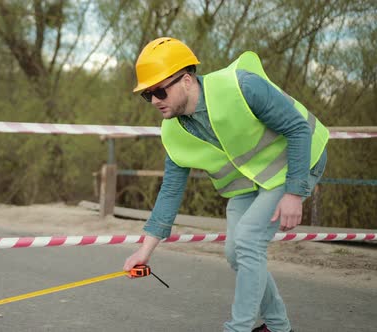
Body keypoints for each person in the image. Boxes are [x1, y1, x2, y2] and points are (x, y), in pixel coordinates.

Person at [123, 37, 329, 332]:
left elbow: (297, 128)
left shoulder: (241, 86)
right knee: (235, 252)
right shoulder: (173, 132)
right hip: (253, 181)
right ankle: (278, 326)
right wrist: (145, 251)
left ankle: (238, 328)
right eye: (147, 95)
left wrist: (295, 192)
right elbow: (170, 192)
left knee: (247, 241)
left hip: (300, 160)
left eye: (158, 91)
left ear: (186, 80)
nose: (154, 101)